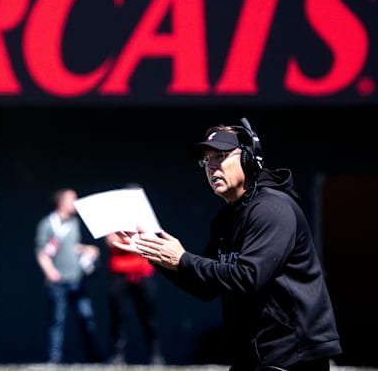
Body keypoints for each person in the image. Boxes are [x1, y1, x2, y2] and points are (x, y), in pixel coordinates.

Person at [113, 118, 342, 371]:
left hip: (292, 355)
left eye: (220, 156)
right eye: (206, 160)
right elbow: (205, 287)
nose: (211, 167)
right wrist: (156, 253)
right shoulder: (227, 217)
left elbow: (248, 277)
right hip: (253, 354)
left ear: (248, 159)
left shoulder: (272, 208)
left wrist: (183, 259)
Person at [35, 188, 103, 364]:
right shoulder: (47, 224)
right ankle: (54, 358)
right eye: (72, 199)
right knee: (56, 320)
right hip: (57, 281)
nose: (76, 203)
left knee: (86, 318)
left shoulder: (74, 223)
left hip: (76, 279)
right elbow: (41, 251)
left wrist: (87, 250)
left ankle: (94, 359)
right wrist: (50, 272)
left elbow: (73, 246)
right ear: (62, 202)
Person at [105, 185, 165, 365]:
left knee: (149, 316)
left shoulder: (146, 216)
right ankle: (117, 355)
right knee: (118, 317)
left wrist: (128, 240)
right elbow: (111, 241)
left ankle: (155, 354)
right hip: (119, 273)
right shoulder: (115, 216)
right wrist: (134, 240)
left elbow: (152, 239)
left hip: (143, 273)